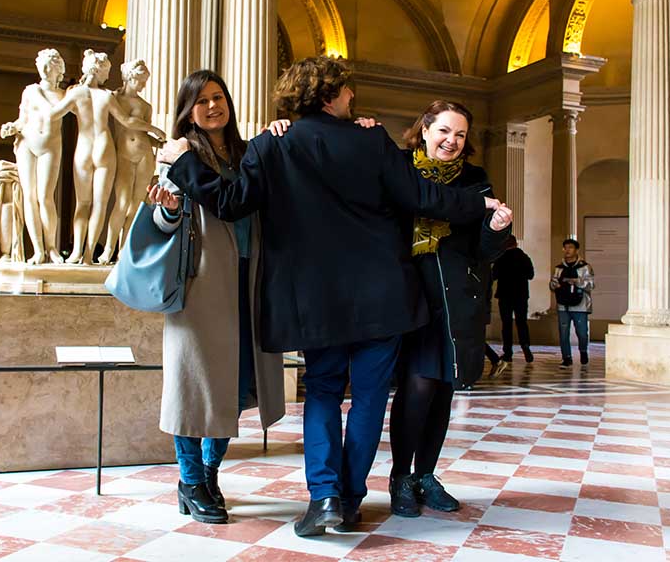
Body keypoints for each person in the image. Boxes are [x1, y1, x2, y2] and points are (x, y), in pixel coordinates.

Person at [157, 56, 498, 537]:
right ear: (329, 95)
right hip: (382, 298)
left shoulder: (271, 146)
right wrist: (477, 202)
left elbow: (231, 203)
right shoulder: (371, 140)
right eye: (347, 92)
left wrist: (184, 163)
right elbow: (422, 197)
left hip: (313, 302)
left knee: (321, 393)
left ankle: (325, 498)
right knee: (369, 400)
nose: (353, 99)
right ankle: (352, 498)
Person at [146, 70, 286, 525]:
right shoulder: (175, 156)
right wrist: (166, 212)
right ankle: (190, 480)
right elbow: (160, 225)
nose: (212, 106)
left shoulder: (249, 155)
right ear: (187, 111)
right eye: (201, 100)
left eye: (218, 96)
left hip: (249, 282)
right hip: (200, 286)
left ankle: (209, 475)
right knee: (193, 388)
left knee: (234, 386)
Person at [387, 101, 511, 519]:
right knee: (417, 387)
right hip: (411, 297)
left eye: (459, 134)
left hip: (458, 299)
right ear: (424, 129)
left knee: (443, 388)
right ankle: (400, 477)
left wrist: (496, 229)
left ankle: (426, 475)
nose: (451, 141)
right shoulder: (400, 168)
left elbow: (484, 249)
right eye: (443, 131)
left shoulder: (476, 180)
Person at [48, 50, 150, 265]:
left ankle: (77, 251)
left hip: (84, 147)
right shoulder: (106, 96)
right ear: (100, 70)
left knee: (82, 203)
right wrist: (155, 131)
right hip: (105, 148)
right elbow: (126, 121)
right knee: (100, 205)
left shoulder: (76, 94)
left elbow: (52, 115)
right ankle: (88, 254)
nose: (107, 77)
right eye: (107, 72)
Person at [0, 48, 67, 265]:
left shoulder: (65, 95)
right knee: (29, 197)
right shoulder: (30, 91)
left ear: (59, 69)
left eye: (51, 65)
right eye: (43, 65)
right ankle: (38, 249)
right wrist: (12, 126)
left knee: (45, 197)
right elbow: (23, 119)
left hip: (50, 146)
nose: (46, 69)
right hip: (26, 142)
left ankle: (52, 248)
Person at [98, 58, 166, 263]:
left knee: (136, 205)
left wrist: (159, 142)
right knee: (122, 202)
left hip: (145, 153)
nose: (143, 85)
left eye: (145, 81)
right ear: (129, 77)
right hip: (124, 154)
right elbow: (126, 121)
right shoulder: (115, 99)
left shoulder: (146, 106)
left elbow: (142, 134)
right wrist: (153, 129)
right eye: (140, 80)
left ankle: (124, 250)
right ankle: (108, 250)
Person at [550, 238, 595, 367]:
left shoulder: (585, 267)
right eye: (565, 247)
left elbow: (591, 285)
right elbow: (552, 283)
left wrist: (576, 281)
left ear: (576, 250)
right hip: (563, 304)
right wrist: (555, 285)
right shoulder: (558, 268)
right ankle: (566, 357)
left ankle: (583, 351)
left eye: (570, 247)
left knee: (582, 333)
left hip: (580, 305)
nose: (567, 250)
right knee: (563, 332)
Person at [493, 235, 535, 363]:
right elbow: (531, 275)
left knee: (506, 324)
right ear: (516, 244)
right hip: (521, 295)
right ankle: (526, 347)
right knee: (521, 322)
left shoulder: (501, 258)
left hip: (505, 295)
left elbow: (493, 275)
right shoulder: (524, 257)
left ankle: (508, 352)